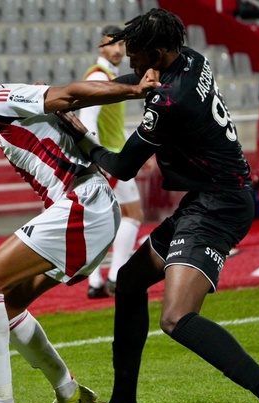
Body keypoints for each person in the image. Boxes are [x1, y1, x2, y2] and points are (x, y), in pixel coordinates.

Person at [56, 9, 259, 403]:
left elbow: (121, 166)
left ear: (157, 52)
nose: (135, 67)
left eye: (137, 57)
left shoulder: (171, 100)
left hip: (219, 207)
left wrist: (81, 136)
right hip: (210, 196)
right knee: (131, 282)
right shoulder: (192, 58)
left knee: (176, 318)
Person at [0, 55, 158, 403]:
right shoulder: (6, 113)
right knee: (7, 305)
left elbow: (72, 94)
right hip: (91, 208)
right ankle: (69, 392)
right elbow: (64, 109)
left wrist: (134, 90)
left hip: (83, 205)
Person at [79, 25, 145, 299]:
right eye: (111, 44)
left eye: (121, 44)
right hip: (109, 158)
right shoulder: (99, 76)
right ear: (101, 47)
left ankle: (95, 282)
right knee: (133, 214)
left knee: (99, 221)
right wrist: (96, 156)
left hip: (110, 153)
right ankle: (116, 277)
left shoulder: (109, 75)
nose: (117, 49)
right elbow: (87, 118)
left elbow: (113, 123)